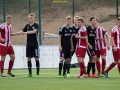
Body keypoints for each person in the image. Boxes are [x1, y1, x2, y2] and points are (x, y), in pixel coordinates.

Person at [14, 13, 40, 77]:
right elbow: (22, 31)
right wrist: (13, 34)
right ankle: (30, 73)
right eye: (29, 18)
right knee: (28, 58)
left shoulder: (36, 25)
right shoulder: (27, 26)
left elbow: (34, 31)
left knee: (36, 58)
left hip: (35, 45)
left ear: (34, 18)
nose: (30, 19)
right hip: (28, 45)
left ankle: (37, 73)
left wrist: (26, 32)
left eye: (31, 18)